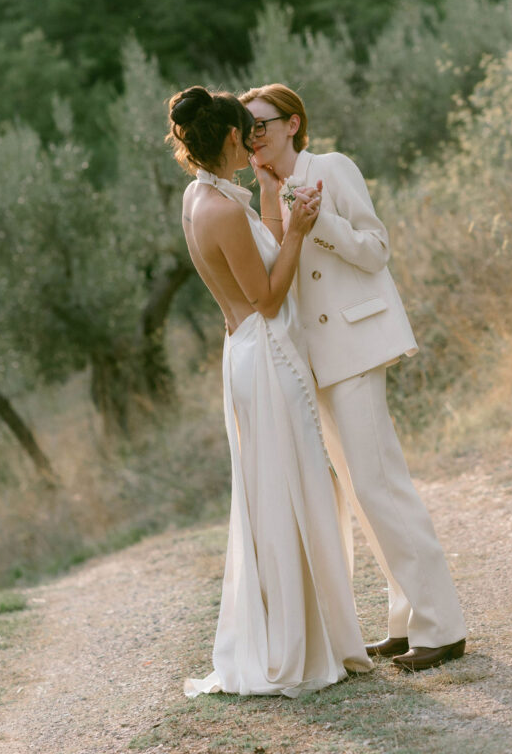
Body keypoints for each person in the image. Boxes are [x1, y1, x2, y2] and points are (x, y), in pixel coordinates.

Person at [241, 83, 467, 671]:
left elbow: (376, 249)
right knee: (361, 495)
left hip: (357, 344)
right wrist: (272, 199)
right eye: (246, 129)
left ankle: (443, 626)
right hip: (315, 360)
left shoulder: (332, 167)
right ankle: (406, 620)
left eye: (260, 124)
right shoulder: (268, 189)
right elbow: (279, 272)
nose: (252, 137)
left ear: (292, 123)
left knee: (380, 484)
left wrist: (319, 221)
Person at [167, 86, 371, 698]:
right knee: (291, 491)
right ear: (231, 136)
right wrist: (301, 230)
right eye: (248, 134)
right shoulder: (222, 211)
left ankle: (308, 630)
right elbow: (268, 297)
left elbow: (253, 272)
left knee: (281, 490)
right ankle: (297, 644)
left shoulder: (202, 196)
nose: (255, 143)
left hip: (247, 352)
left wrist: (271, 202)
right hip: (266, 354)